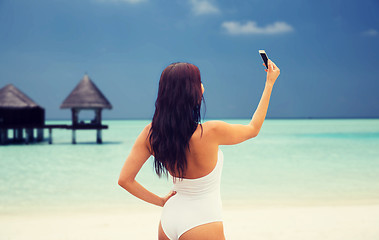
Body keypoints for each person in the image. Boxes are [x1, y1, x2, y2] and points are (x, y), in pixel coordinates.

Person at [118, 59, 280, 240]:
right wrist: (269, 83)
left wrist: (162, 201)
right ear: (193, 93)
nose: (202, 85)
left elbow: (125, 180)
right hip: (202, 221)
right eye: (198, 82)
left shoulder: (151, 133)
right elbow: (253, 129)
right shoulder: (212, 131)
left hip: (169, 219)